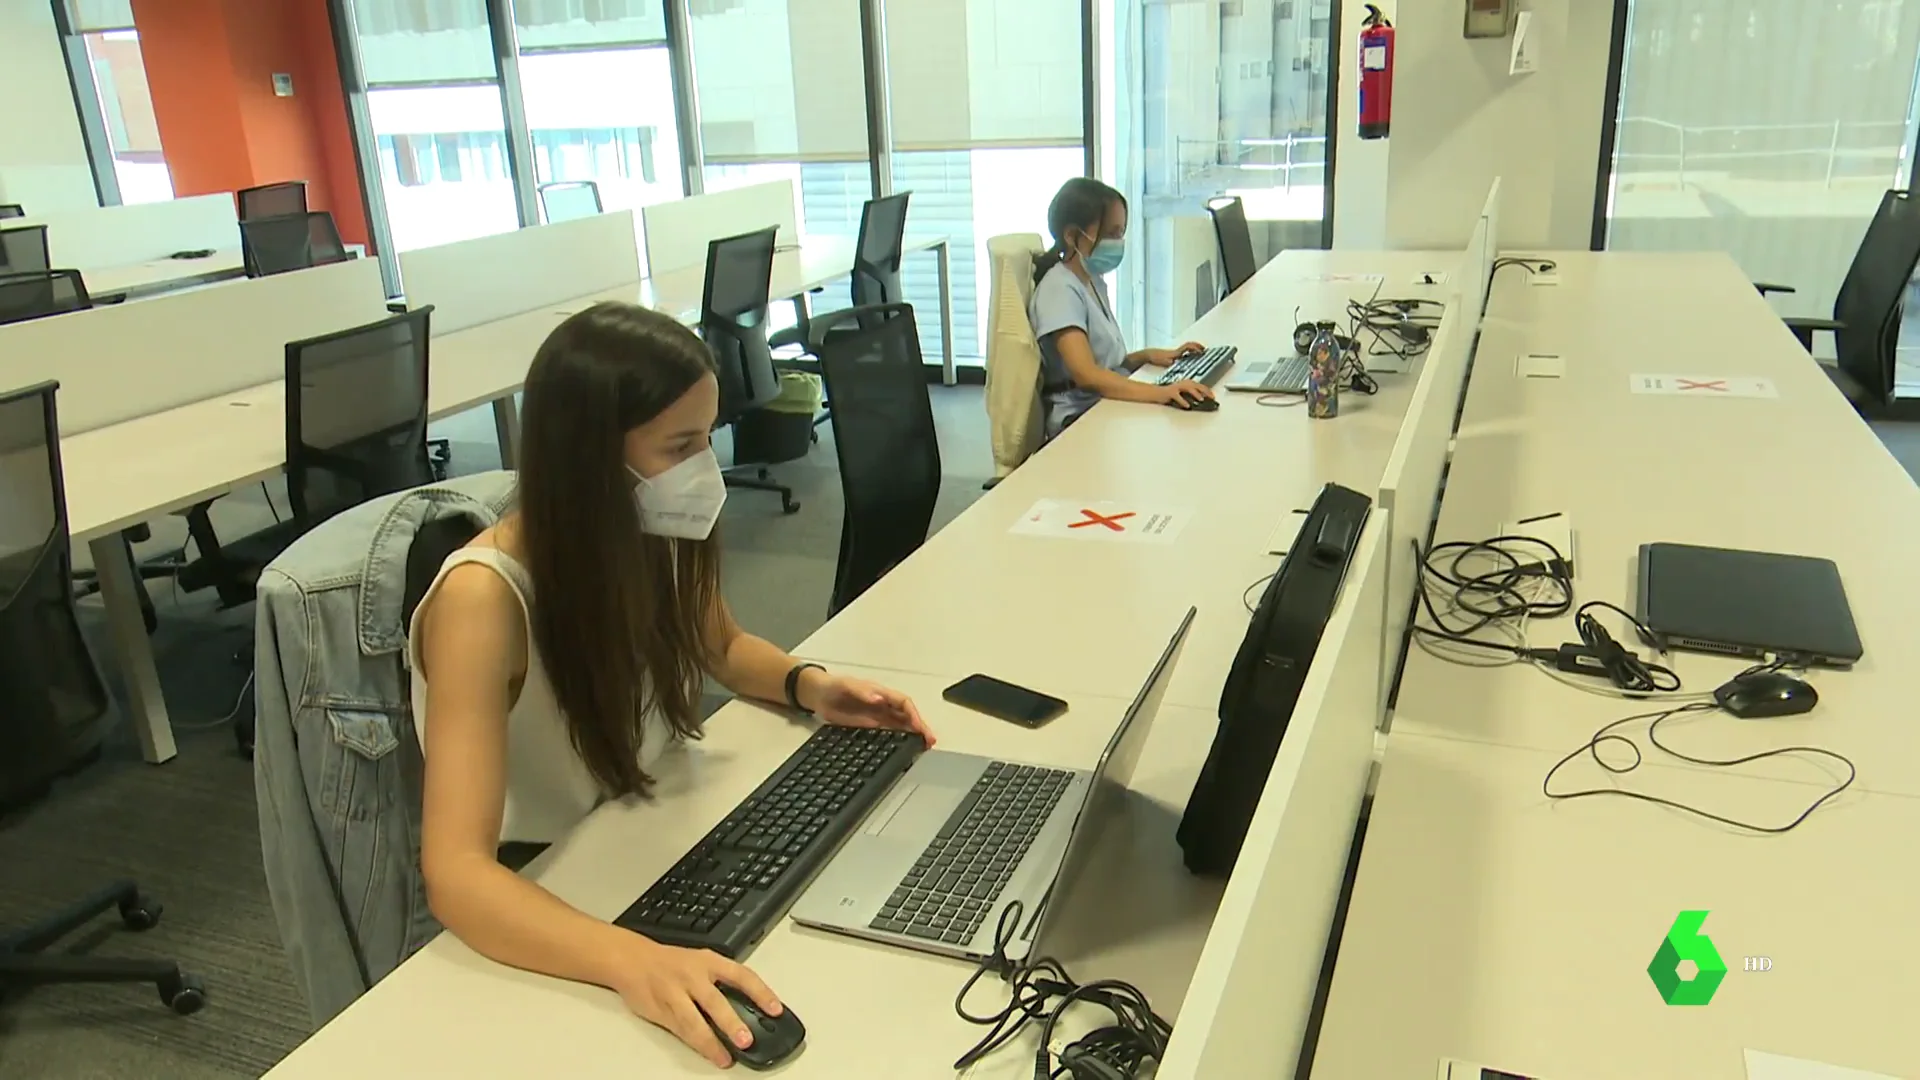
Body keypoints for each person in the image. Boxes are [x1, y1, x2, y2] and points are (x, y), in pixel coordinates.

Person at [408, 302, 936, 1069]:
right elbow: (455, 874)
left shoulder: (644, 528)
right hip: (557, 887)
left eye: (707, 438)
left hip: (651, 832)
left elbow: (716, 643)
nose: (704, 470)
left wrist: (807, 684)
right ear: (592, 459)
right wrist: (633, 961)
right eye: (680, 446)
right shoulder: (482, 601)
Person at [1028, 177, 1215, 438]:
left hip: (1102, 407)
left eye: (1121, 233)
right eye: (1111, 233)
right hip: (1078, 421)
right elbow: (1087, 375)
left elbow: (1106, 365)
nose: (1119, 242)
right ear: (1072, 236)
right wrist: (1162, 393)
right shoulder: (1058, 290)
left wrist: (1146, 356)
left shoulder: (1090, 282)